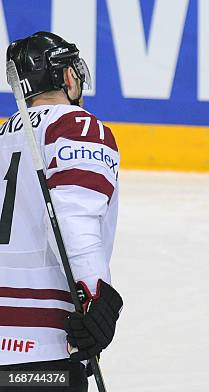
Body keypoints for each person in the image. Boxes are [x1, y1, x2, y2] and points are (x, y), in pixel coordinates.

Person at [0, 32, 123, 391]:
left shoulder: (4, 135)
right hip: (45, 348)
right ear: (68, 76)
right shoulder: (77, 127)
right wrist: (95, 296)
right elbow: (74, 223)